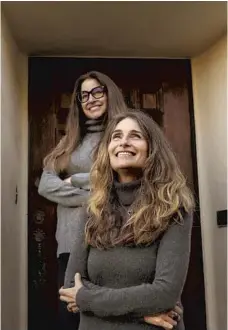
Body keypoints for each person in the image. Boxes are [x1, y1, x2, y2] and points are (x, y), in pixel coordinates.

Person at [59, 110, 195, 330]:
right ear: (108, 150)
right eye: (116, 136)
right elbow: (70, 289)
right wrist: (143, 314)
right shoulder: (92, 210)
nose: (124, 142)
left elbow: (165, 294)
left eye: (135, 136)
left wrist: (87, 299)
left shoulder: (174, 207)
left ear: (152, 148)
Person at [38, 71, 128, 329]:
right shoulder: (69, 142)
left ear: (109, 93)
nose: (91, 99)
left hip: (111, 240)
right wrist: (93, 195)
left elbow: (120, 176)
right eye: (84, 95)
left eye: (97, 91)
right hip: (69, 244)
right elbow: (46, 185)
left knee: (109, 318)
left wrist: (75, 180)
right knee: (70, 318)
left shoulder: (122, 136)